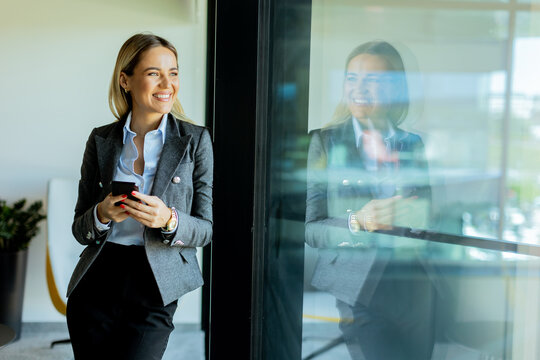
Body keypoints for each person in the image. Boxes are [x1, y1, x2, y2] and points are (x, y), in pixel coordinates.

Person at [66, 33, 213, 360]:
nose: (167, 83)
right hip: (98, 278)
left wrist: (168, 220)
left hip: (156, 283)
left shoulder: (195, 141)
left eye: (173, 72)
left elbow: (205, 229)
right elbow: (79, 229)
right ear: (125, 80)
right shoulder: (101, 140)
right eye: (153, 73)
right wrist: (102, 214)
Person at [305, 41, 436, 359]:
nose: (359, 89)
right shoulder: (323, 142)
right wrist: (358, 221)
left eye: (373, 80)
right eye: (352, 78)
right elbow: (310, 229)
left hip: (413, 286)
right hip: (357, 287)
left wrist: (415, 215)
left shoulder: (412, 143)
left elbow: (428, 214)